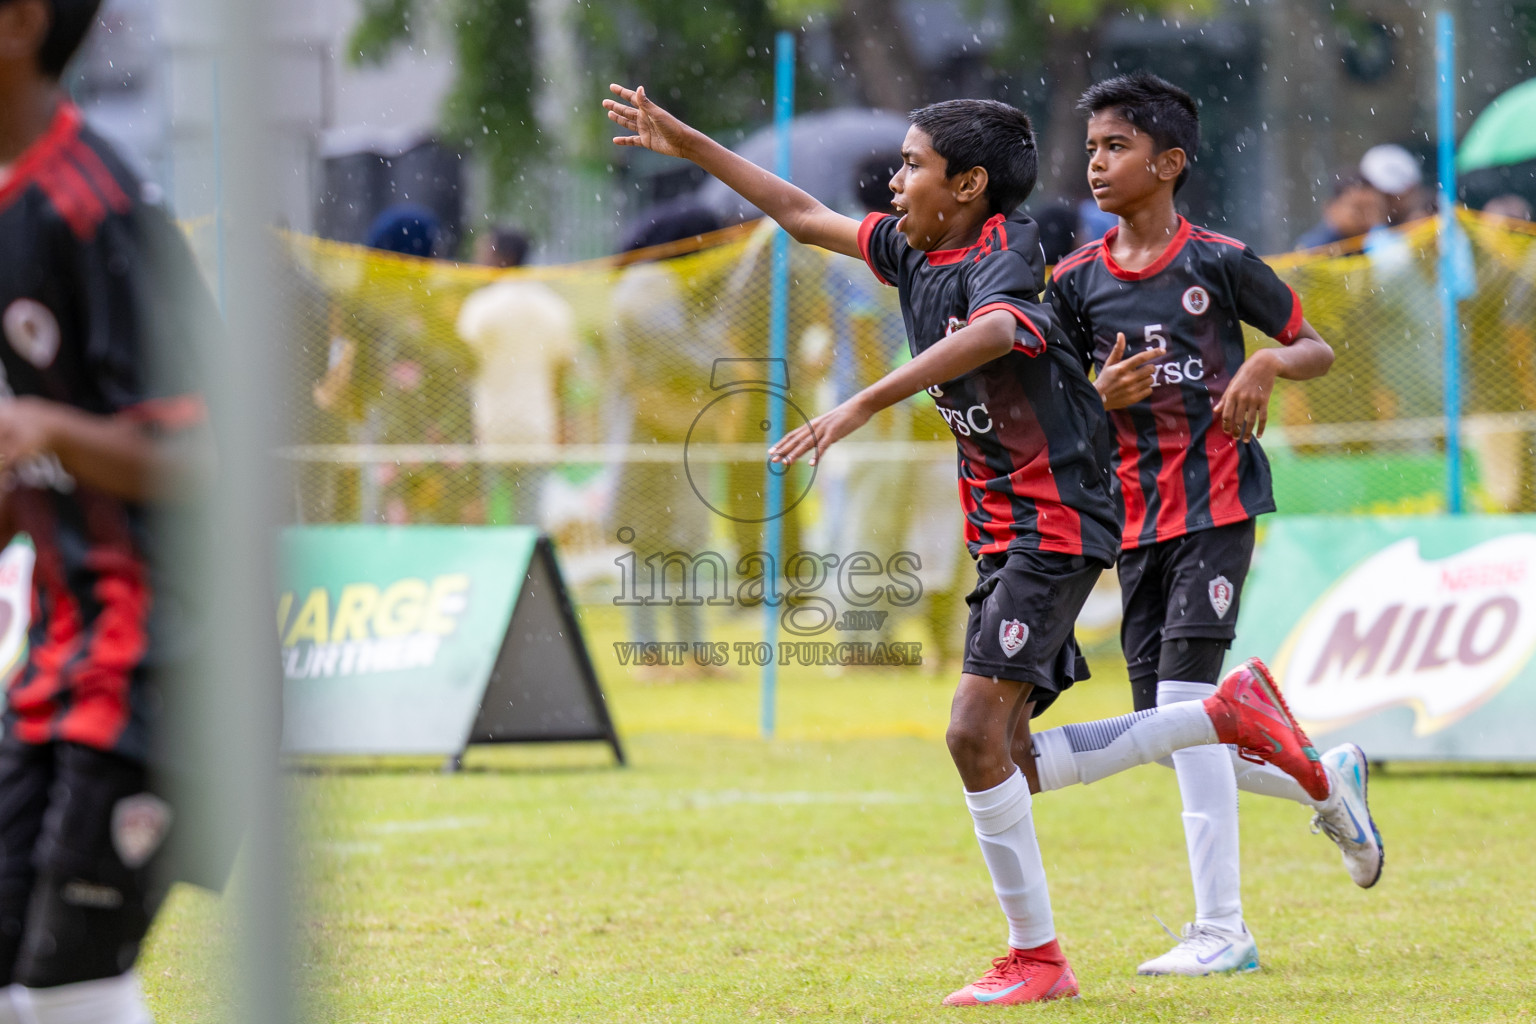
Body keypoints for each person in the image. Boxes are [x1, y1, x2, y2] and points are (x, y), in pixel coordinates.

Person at [606, 81, 1333, 1006]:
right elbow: (799, 213)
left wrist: (865, 399)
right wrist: (691, 141)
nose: (897, 181)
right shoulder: (912, 250)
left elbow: (997, 327)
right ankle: (1220, 719)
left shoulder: (1012, 246)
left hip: (1055, 520)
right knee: (1010, 758)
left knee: (967, 734)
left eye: (914, 165)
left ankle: (1039, 957)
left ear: (970, 184)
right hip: (1006, 529)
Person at [1045, 71, 1382, 978]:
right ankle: (1323, 778)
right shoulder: (1074, 283)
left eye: (1116, 147)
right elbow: (1053, 402)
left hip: (1219, 506)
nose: (1098, 164)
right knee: (1171, 733)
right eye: (1092, 149)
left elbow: (1316, 344)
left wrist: (1266, 366)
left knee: (1185, 711)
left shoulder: (1219, 262)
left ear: (1170, 162)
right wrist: (1093, 393)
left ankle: (1222, 929)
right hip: (1135, 524)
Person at [0, 1, 217, 1020]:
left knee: (70, 991)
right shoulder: (11, 208)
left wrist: (46, 428)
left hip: (162, 669)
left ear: (20, 22)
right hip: (56, 663)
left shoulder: (102, 208)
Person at [456, 226, 578, 524]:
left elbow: (463, 364)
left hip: (488, 427)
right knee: (530, 523)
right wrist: (562, 419)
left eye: (484, 253)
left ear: (502, 257)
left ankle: (485, 570)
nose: (478, 261)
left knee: (479, 517)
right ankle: (530, 572)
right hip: (537, 427)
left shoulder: (480, 307)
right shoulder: (553, 307)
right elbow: (562, 370)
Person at [1293, 169, 1388, 250]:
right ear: (1331, 207)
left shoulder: (1373, 244)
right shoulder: (1314, 250)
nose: (1368, 217)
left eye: (1374, 209)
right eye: (1359, 209)